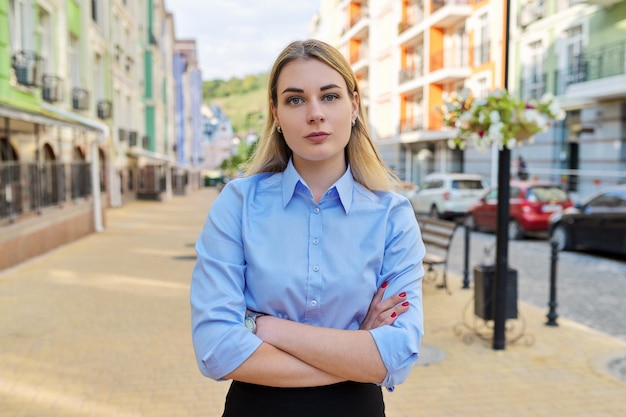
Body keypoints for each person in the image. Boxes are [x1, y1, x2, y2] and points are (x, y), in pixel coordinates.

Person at [190, 39, 425, 417]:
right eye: (295, 100)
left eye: (330, 96)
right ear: (276, 114)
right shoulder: (238, 203)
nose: (315, 113)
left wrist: (265, 327)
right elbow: (216, 350)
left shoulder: (392, 216)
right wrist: (357, 347)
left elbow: (395, 357)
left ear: (354, 106)